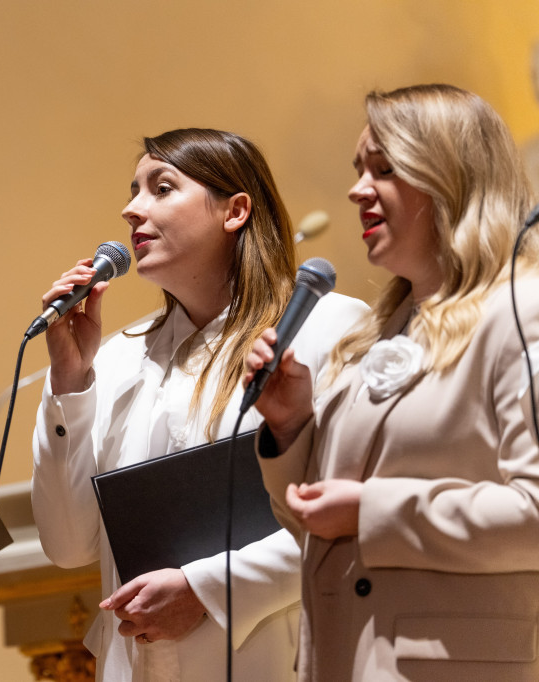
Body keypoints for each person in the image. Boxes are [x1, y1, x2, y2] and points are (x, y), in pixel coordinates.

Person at [31, 128, 368, 681]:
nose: (130, 209)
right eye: (133, 191)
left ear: (234, 211)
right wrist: (69, 382)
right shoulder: (114, 358)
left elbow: (346, 517)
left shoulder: (326, 328)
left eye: (161, 188)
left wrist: (207, 589)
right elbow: (68, 546)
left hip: (273, 660)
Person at [246, 84, 539, 680]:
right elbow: (313, 519)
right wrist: (292, 426)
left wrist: (374, 512)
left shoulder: (522, 309)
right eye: (359, 169)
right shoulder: (378, 334)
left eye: (383, 168)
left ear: (448, 177)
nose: (357, 189)